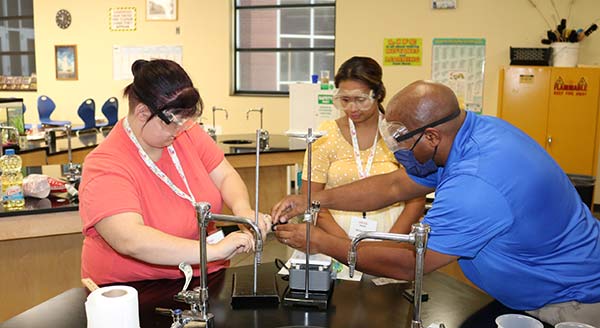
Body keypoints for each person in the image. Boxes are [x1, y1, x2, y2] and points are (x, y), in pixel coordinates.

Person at [272, 80, 600, 326]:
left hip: (567, 301)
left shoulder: (475, 183)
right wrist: (312, 199)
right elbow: (393, 185)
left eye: (403, 146)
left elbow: (411, 263)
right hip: (529, 292)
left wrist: (322, 242)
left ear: (430, 137)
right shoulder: (472, 132)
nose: (401, 157)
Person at [80, 59, 271, 284]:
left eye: (184, 122)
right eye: (173, 123)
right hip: (134, 289)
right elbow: (131, 239)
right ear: (142, 113)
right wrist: (213, 251)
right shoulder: (106, 164)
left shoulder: (185, 131)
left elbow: (226, 176)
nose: (180, 130)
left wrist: (243, 210)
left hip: (202, 276)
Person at [301, 56, 424, 240]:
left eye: (360, 99)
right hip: (335, 234)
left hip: (392, 233)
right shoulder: (326, 134)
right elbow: (311, 197)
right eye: (345, 100)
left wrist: (387, 244)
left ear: (378, 94)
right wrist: (344, 245)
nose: (352, 108)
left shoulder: (397, 133)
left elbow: (416, 197)